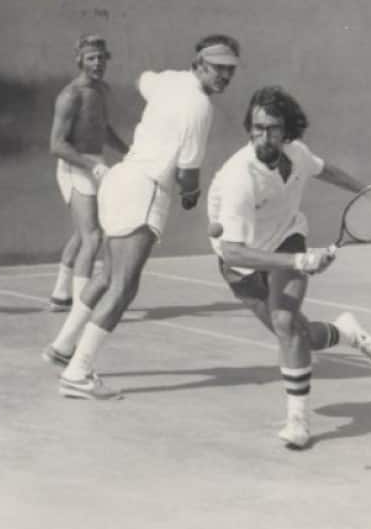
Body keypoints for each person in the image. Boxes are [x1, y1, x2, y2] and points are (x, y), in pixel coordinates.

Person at [206, 85, 371, 449]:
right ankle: (348, 333)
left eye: (273, 129)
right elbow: (233, 253)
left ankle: (297, 420)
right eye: (257, 128)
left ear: (287, 131)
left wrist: (370, 192)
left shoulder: (296, 153)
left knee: (285, 323)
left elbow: (326, 171)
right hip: (241, 260)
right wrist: (299, 261)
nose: (264, 136)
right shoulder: (240, 178)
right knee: (298, 333)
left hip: (286, 235)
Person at [43, 34, 240, 399]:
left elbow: (143, 79)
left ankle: (63, 346)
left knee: (106, 276)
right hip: (146, 191)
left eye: (230, 71)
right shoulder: (201, 108)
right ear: (200, 64)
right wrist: (191, 196)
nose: (224, 77)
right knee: (124, 287)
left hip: (119, 181)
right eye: (218, 68)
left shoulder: (168, 80)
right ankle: (78, 373)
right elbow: (188, 174)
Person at [47, 34, 129, 311]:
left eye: (101, 58)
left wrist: (128, 152)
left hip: (95, 164)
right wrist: (92, 166)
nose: (97, 63)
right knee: (93, 236)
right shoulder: (70, 95)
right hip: (74, 166)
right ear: (79, 60)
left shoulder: (102, 90)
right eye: (91, 58)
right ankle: (83, 307)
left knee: (83, 233)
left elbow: (102, 129)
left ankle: (61, 295)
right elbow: (57, 145)